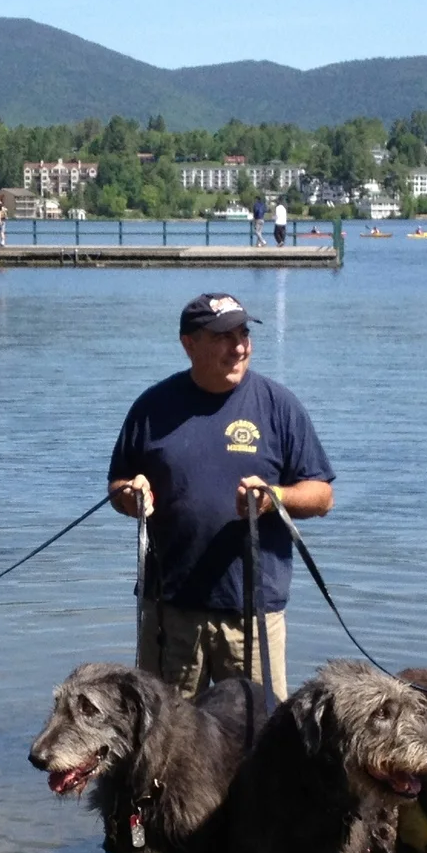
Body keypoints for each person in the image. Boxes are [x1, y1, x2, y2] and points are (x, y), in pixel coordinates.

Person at [108, 292, 334, 698]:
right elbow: (119, 485)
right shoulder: (152, 407)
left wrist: (274, 497)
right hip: (169, 611)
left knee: (256, 739)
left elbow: (321, 496)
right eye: (223, 336)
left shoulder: (278, 405)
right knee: (165, 744)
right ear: (189, 344)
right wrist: (131, 495)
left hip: (251, 614)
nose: (240, 346)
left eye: (244, 334)